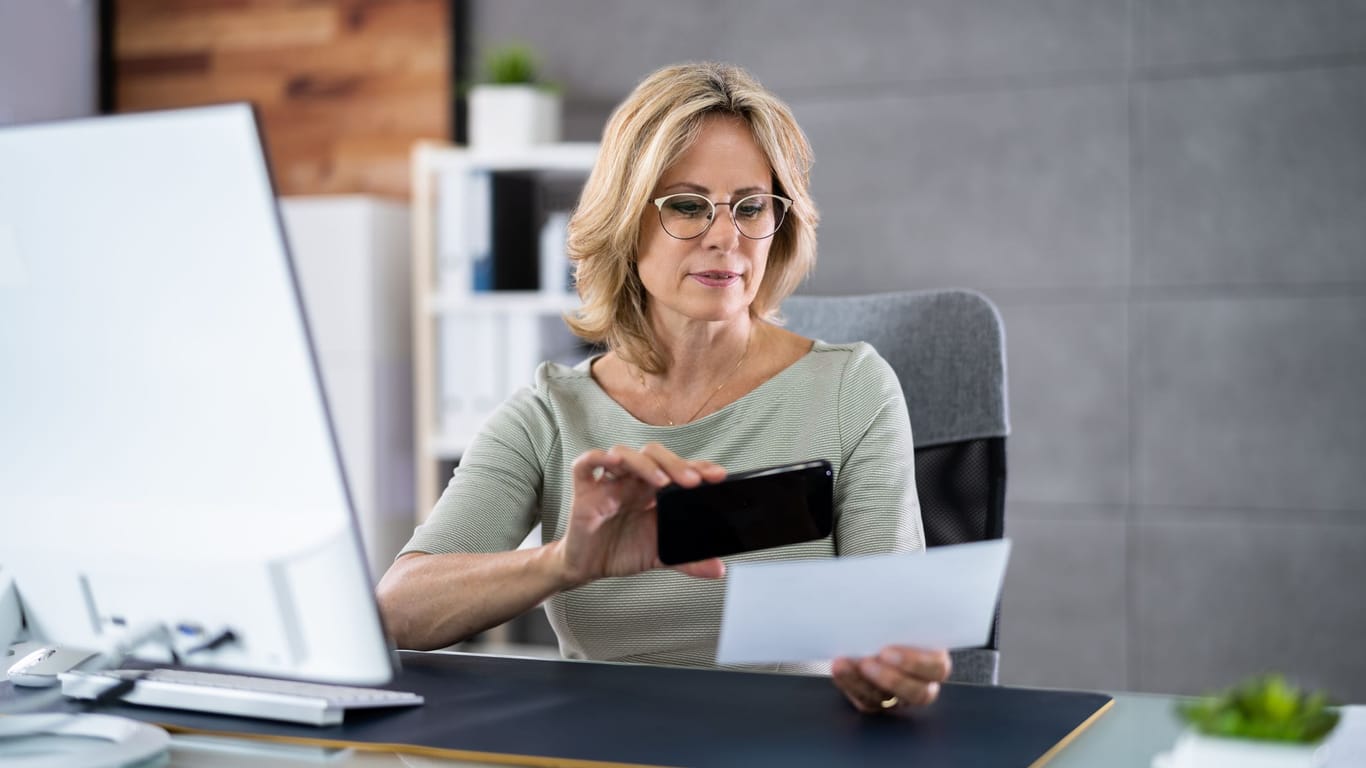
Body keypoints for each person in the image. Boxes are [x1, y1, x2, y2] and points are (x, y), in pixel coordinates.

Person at [377, 61, 950, 713]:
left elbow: (902, 656)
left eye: (751, 206)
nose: (725, 237)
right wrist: (564, 562)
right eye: (686, 204)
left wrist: (892, 681)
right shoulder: (549, 416)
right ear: (626, 221)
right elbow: (395, 612)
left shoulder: (854, 389)